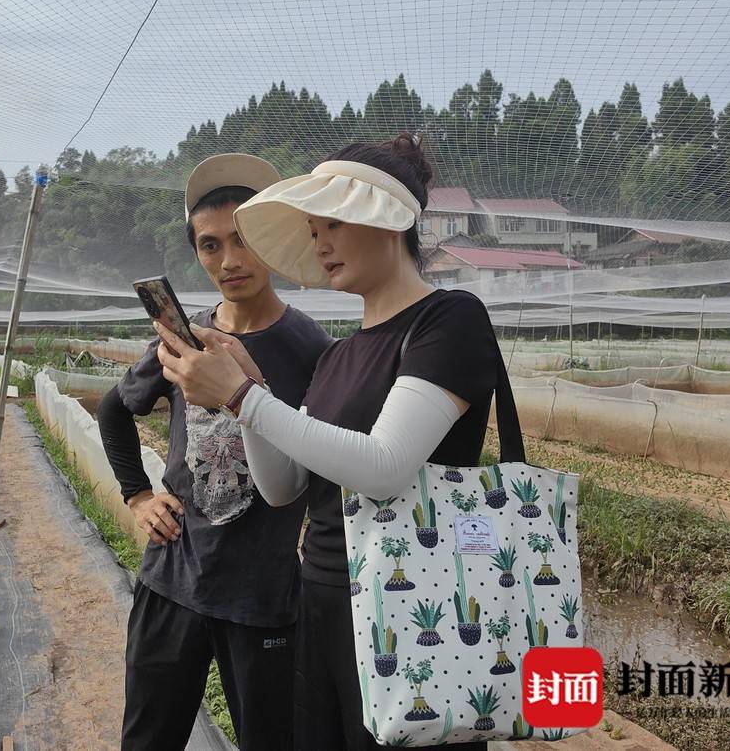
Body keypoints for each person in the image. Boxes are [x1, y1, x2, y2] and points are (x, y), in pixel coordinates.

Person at [153, 134, 501, 751]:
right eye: (313, 230)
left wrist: (243, 398)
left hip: (407, 601)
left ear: (386, 220)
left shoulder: (446, 321)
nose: (320, 244)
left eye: (333, 223)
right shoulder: (339, 354)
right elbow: (283, 485)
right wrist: (254, 391)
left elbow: (386, 466)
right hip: (321, 599)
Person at [97, 153, 332, 751]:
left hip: (262, 593)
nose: (229, 261)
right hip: (173, 575)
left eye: (245, 239)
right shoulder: (184, 336)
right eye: (210, 245)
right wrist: (138, 494)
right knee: (148, 737)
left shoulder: (312, 349)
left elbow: (331, 460)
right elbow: (113, 410)